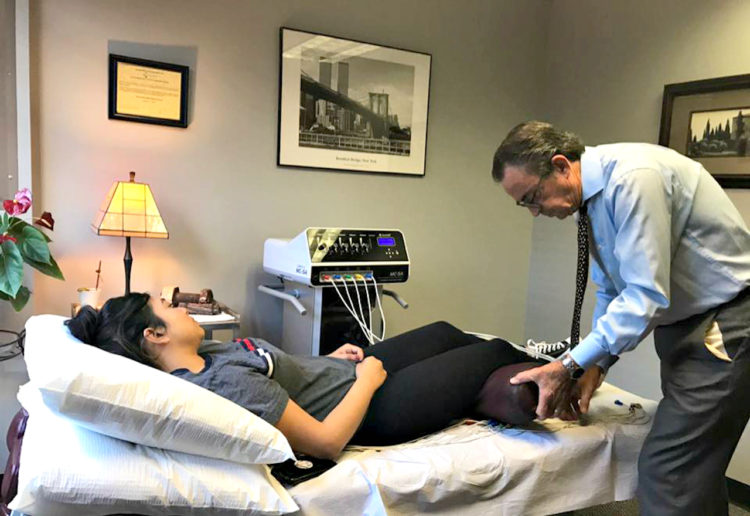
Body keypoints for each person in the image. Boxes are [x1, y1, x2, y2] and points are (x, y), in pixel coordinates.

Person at [491, 121, 750, 516]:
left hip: (725, 324)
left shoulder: (632, 180)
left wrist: (568, 364)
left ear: (561, 165)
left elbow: (645, 295)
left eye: (532, 196)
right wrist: (596, 364)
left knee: (670, 472)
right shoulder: (591, 202)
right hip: (684, 327)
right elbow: (613, 291)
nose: (534, 212)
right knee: (696, 470)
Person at [66, 292, 531, 460]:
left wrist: (328, 358)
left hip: (344, 372)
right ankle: (556, 376)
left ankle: (475, 393)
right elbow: (326, 442)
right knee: (492, 351)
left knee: (446, 332)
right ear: (155, 334)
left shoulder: (204, 351)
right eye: (168, 308)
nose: (182, 307)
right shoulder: (224, 386)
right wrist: (368, 380)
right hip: (369, 411)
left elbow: (278, 372)